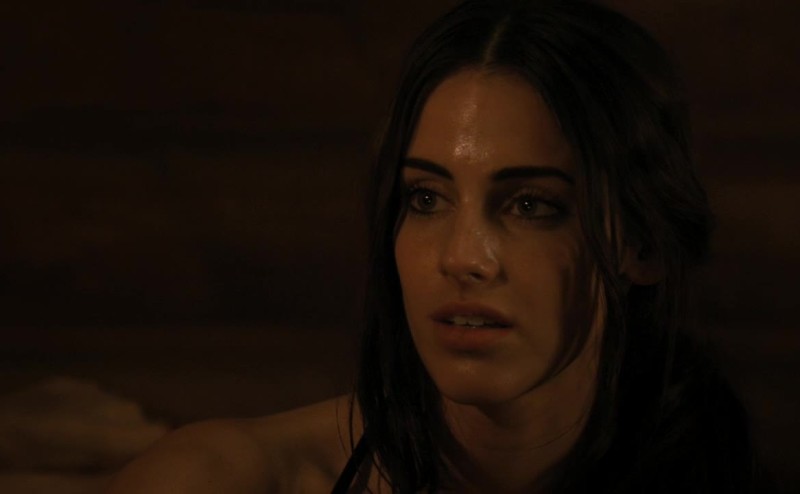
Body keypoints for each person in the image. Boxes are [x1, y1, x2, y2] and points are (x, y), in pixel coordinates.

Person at [106, 1, 770, 492]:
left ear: (643, 244)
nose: (462, 258)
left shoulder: (710, 465)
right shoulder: (224, 479)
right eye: (426, 198)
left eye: (530, 205)